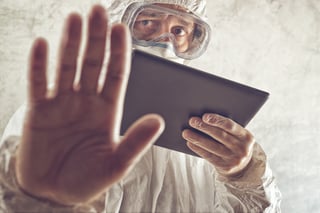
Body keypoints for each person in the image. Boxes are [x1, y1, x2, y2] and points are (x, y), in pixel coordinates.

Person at [0, 0, 281, 212]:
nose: (165, 41)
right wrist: (41, 198)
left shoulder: (212, 139)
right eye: (148, 23)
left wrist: (243, 176)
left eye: (179, 29)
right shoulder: (55, 117)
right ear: (117, 26)